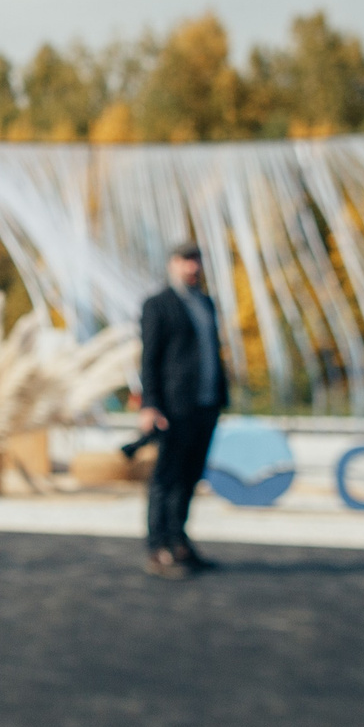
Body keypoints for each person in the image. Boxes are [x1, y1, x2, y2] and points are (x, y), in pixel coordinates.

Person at [137, 242, 228, 579]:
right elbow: (149, 359)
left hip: (205, 404)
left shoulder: (205, 303)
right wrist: (150, 404)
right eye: (186, 261)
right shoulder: (158, 305)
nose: (192, 267)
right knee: (166, 478)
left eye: (196, 261)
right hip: (173, 408)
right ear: (172, 264)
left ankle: (179, 541)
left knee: (190, 478)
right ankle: (158, 546)